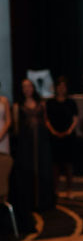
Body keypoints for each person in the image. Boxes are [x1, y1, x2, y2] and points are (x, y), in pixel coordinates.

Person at [9, 78, 55, 231]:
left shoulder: (42, 104)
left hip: (41, 144)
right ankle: (29, 202)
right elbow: (16, 128)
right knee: (28, 171)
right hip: (26, 145)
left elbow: (46, 121)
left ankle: (43, 202)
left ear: (33, 88)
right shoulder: (17, 106)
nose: (27, 89)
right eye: (24, 86)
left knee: (42, 170)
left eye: (29, 86)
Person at [45, 76, 78, 198]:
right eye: (59, 86)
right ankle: (55, 189)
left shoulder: (71, 102)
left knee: (69, 164)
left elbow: (75, 119)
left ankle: (69, 189)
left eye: (63, 87)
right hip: (54, 136)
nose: (61, 89)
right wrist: (53, 132)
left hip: (68, 137)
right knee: (55, 165)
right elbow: (46, 119)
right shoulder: (50, 103)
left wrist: (68, 131)